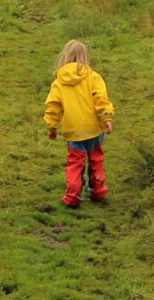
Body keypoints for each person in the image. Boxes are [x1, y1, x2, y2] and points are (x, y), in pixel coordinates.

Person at [41, 39, 115, 208]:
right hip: (95, 129)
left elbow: (53, 106)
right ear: (85, 57)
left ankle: (73, 196)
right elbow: (101, 99)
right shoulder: (93, 77)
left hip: (73, 131)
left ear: (65, 57)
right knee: (96, 159)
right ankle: (98, 191)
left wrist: (52, 127)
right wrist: (107, 119)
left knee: (75, 163)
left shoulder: (59, 82)